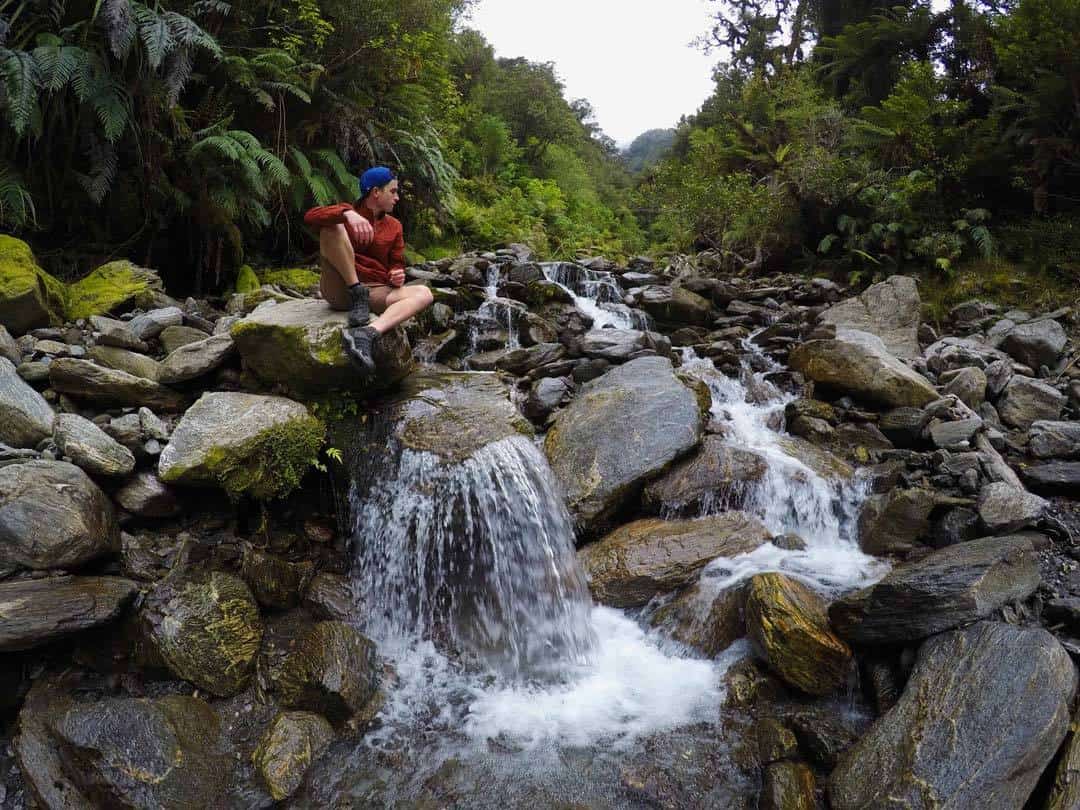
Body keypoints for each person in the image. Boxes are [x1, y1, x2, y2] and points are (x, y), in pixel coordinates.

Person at [303, 166, 434, 374]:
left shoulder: (395, 226)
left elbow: (397, 262)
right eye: (393, 191)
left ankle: (367, 333)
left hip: (374, 290)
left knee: (424, 293)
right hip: (340, 288)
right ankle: (356, 290)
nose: (397, 197)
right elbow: (310, 216)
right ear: (375, 192)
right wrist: (346, 213)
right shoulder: (347, 214)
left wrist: (397, 274)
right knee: (331, 227)